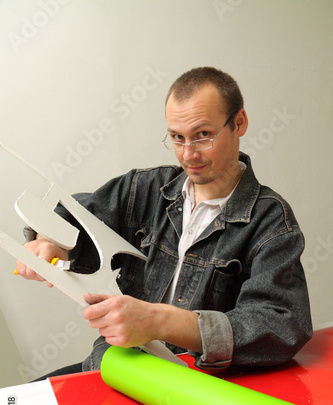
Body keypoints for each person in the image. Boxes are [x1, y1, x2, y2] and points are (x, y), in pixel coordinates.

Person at [16, 67, 312, 377]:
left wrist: (160, 321)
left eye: (203, 136)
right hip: (116, 368)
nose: (188, 154)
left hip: (198, 384)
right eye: (176, 137)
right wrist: (50, 240)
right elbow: (70, 215)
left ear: (239, 123)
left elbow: (280, 325)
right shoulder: (145, 189)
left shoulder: (271, 221)